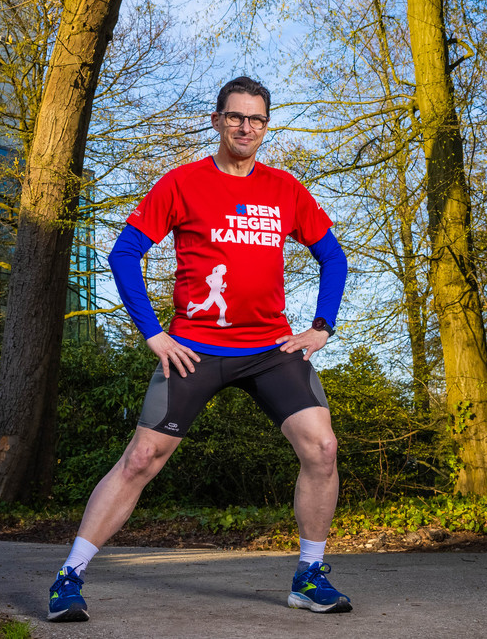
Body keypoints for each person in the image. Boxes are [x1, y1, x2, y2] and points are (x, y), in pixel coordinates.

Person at [47, 75, 350, 623]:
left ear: (265, 126)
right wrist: (153, 333)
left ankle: (310, 575)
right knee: (141, 459)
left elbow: (334, 257)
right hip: (194, 347)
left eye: (256, 119)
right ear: (217, 120)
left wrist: (322, 326)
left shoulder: (286, 190)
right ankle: (70, 577)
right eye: (235, 116)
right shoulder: (182, 183)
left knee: (322, 448)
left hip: (270, 347)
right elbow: (125, 253)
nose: (245, 127)